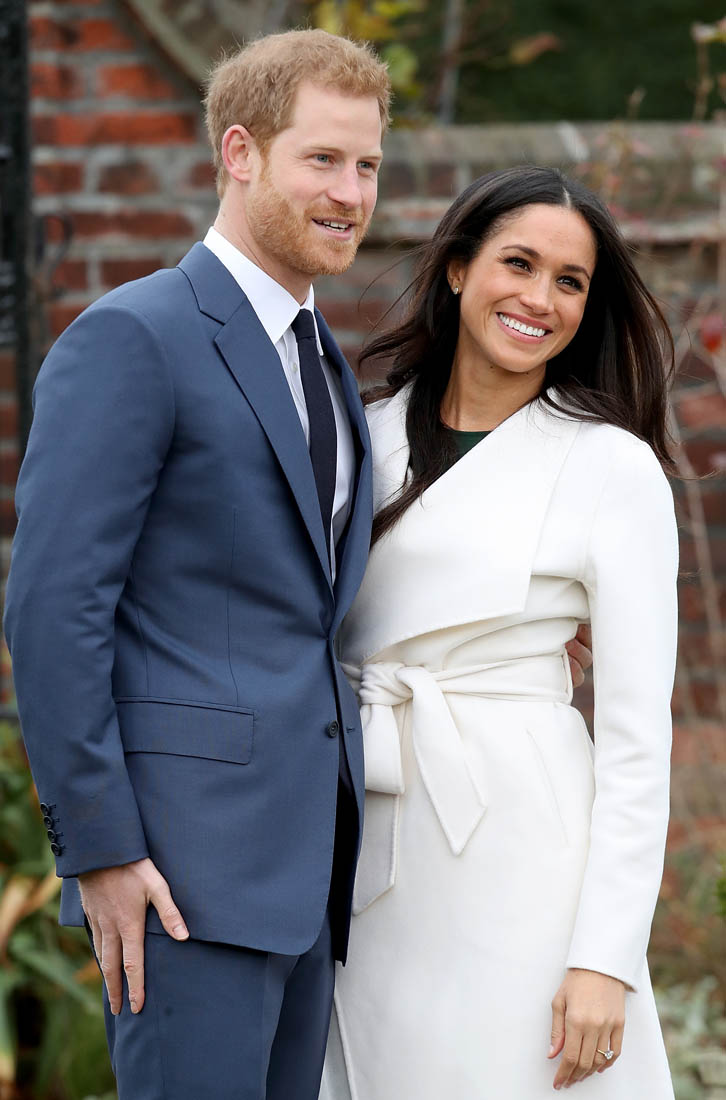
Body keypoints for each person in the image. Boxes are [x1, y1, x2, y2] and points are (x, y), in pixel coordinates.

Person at [4, 31, 592, 1100]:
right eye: (322, 159)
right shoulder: (135, 336)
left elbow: (312, 604)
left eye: (367, 165)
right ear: (240, 153)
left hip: (313, 877)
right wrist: (100, 849)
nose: (351, 193)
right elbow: (53, 611)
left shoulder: (326, 362)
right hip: (177, 878)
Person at [319, 166, 678, 1098]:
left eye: (570, 281)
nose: (539, 299)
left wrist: (605, 957)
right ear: (457, 268)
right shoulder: (361, 437)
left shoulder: (611, 467)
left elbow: (638, 743)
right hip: (368, 834)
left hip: (527, 853)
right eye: (518, 263)